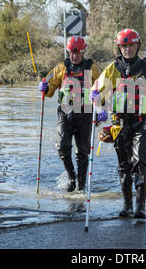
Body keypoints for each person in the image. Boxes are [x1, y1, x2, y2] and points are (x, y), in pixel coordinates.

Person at [90, 29, 146, 218]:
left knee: (140, 161)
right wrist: (99, 108)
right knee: (124, 165)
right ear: (119, 47)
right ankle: (126, 206)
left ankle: (140, 207)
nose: (127, 49)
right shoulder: (112, 68)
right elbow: (96, 91)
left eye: (131, 45)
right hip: (119, 123)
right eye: (124, 46)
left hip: (141, 123)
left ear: (137, 45)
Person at [39, 36, 104, 192]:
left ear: (83, 52)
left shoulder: (93, 68)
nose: (74, 57)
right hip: (65, 114)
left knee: (82, 152)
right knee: (63, 147)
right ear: (68, 52)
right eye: (71, 53)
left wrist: (101, 106)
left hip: (85, 115)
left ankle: (81, 187)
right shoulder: (61, 68)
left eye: (77, 54)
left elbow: (107, 87)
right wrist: (44, 88)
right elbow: (49, 89)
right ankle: (71, 176)